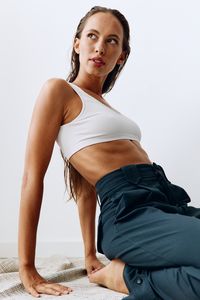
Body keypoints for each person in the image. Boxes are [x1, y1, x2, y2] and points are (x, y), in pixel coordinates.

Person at [18, 5, 200, 300]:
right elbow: (31, 177)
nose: (100, 47)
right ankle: (128, 278)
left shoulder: (106, 107)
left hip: (165, 202)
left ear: (122, 56)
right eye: (92, 36)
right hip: (129, 215)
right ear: (77, 44)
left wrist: (90, 253)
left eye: (112, 41)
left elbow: (85, 186)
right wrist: (27, 267)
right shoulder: (59, 91)